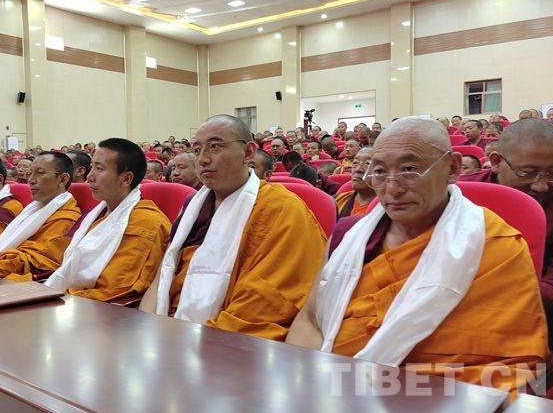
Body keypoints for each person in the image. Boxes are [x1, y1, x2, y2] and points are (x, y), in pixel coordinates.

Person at [287, 117, 548, 392]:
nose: (392, 188)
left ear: (453, 168)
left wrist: (373, 392)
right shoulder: (348, 235)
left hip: (444, 399)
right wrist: (311, 386)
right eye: (379, 171)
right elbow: (309, 319)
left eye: (410, 170)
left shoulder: (497, 245)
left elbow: (515, 367)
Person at [140, 114, 327, 341]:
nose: (203, 159)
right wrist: (148, 332)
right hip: (170, 329)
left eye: (215, 147)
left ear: (248, 152)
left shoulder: (282, 208)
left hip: (224, 340)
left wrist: (186, 344)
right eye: (197, 150)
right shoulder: (192, 208)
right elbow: (162, 277)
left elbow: (264, 302)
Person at [460, 118, 553, 352]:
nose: (541, 186)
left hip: (537, 319)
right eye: (527, 173)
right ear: (496, 162)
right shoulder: (462, 194)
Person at [45, 139, 171, 302]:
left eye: (99, 169)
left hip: (93, 309)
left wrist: (57, 299)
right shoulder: (94, 215)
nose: (89, 177)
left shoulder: (147, 223)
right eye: (92, 167)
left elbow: (116, 290)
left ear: (126, 179)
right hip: (68, 297)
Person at [0, 152, 81, 280]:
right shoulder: (31, 210)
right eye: (31, 173)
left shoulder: (67, 219)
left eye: (40, 173)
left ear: (62, 179)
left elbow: (37, 261)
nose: (31, 180)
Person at [335, 146, 376, 218]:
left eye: (368, 164)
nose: (358, 169)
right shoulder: (337, 201)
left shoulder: (388, 209)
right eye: (355, 163)